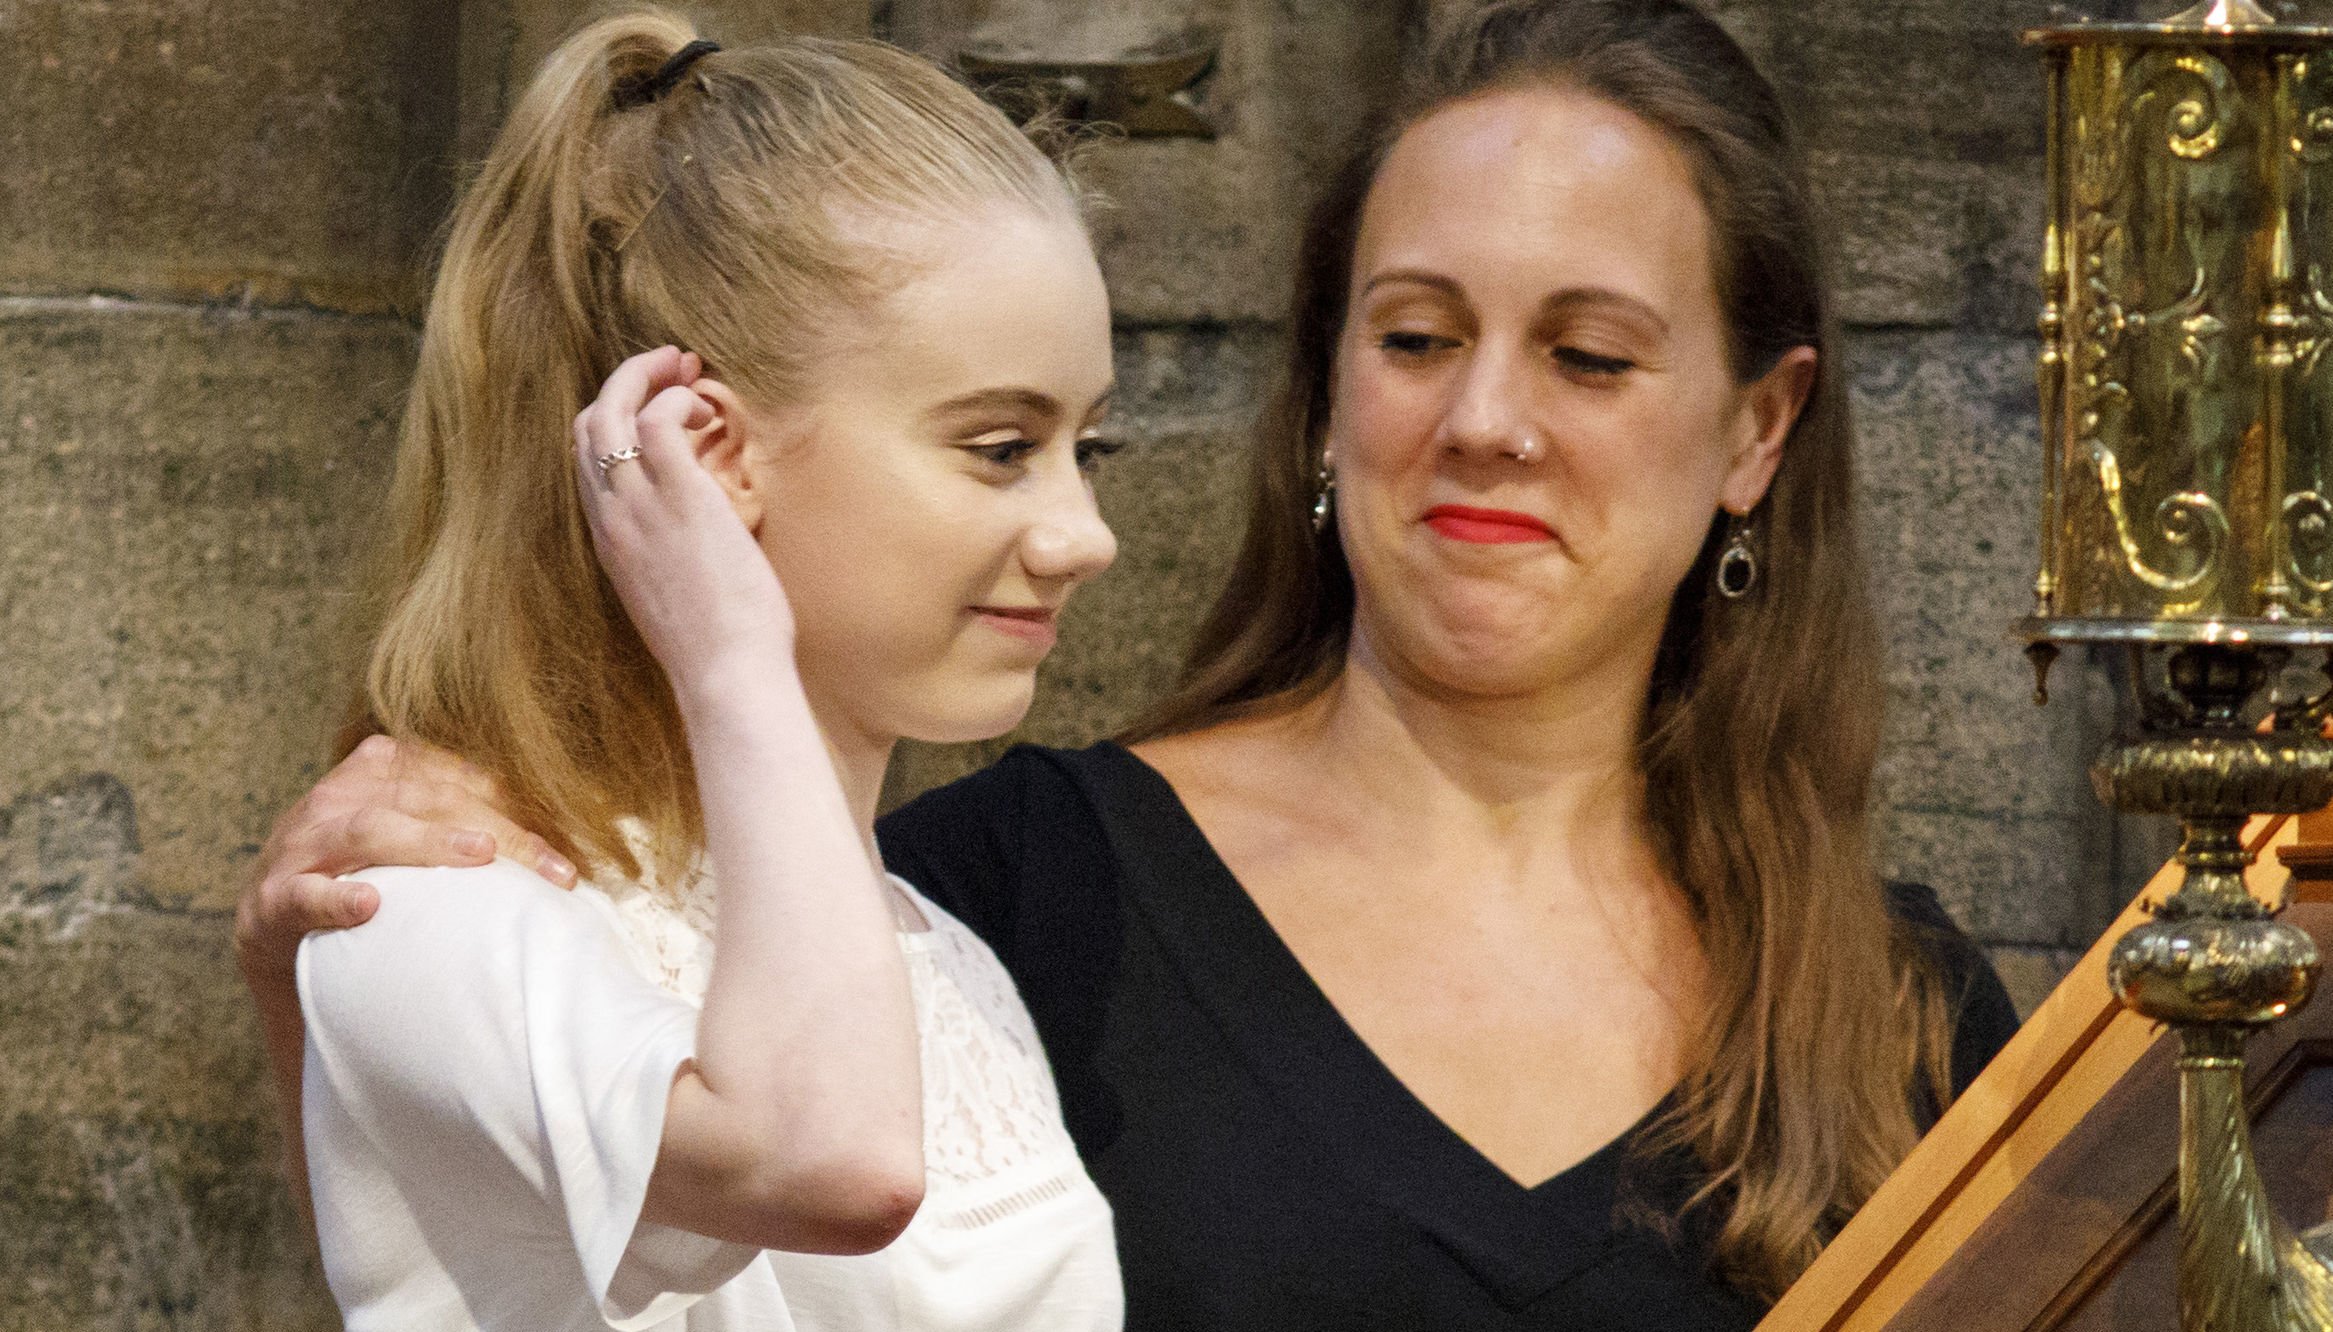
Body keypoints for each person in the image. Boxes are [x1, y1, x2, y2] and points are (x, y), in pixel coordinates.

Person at [237, 2, 2019, 1327]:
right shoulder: (1021, 891)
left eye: (1591, 357)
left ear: (1756, 429)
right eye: (1413, 335)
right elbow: (596, 1178)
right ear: (1324, 382)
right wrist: (317, 983)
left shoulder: (1899, 1016)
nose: (1484, 422)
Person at [269, 10, 1128, 1329]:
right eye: (1001, 447)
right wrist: (728, 655)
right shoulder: (441, 905)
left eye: (1089, 450)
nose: (1084, 537)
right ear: (706, 452)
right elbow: (831, 1163)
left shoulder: (945, 961)